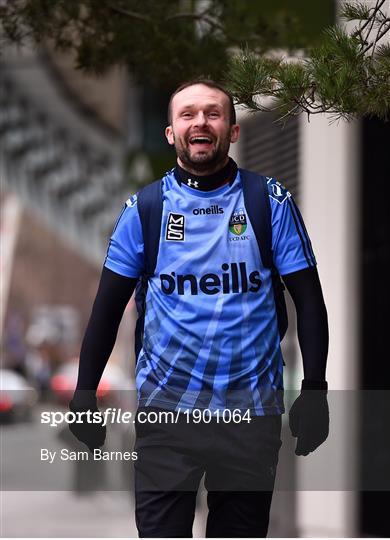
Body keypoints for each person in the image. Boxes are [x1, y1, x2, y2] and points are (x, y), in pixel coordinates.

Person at [69, 79, 329, 538]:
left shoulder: (269, 203)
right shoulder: (144, 210)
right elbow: (106, 311)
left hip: (250, 414)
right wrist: (85, 393)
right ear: (171, 132)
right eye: (187, 114)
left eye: (213, 113)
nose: (200, 122)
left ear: (233, 131)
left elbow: (309, 299)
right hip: (166, 415)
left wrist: (315, 389)